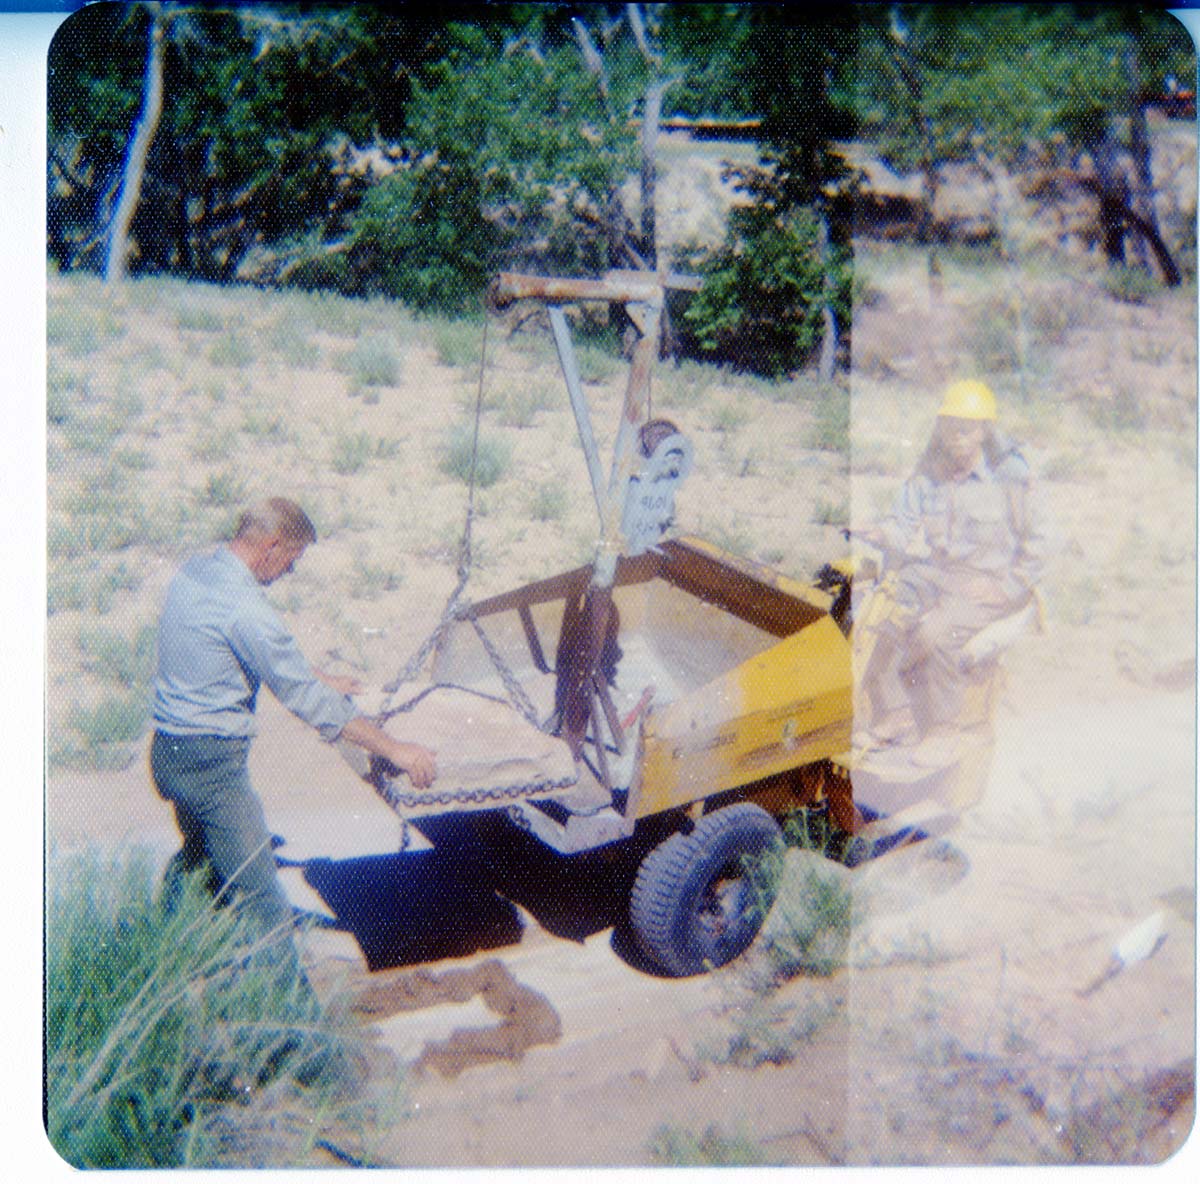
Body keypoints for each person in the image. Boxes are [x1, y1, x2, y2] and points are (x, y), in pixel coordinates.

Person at [151, 496, 437, 944]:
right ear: (272, 545)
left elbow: (223, 648)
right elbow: (305, 699)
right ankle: (288, 1010)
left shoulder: (197, 572)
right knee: (261, 898)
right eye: (292, 558)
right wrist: (395, 749)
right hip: (212, 766)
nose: (290, 571)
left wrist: (316, 675)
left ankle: (163, 943)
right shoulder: (246, 607)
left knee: (200, 855)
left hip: (169, 751)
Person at [857, 379, 1045, 763]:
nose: (957, 437)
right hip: (942, 575)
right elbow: (902, 524)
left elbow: (1043, 539)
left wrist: (1009, 586)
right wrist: (878, 532)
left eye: (967, 428)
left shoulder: (1008, 474)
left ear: (983, 432)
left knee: (937, 632)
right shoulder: (929, 473)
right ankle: (899, 713)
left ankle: (945, 731)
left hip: (990, 584)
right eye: (951, 427)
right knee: (889, 604)